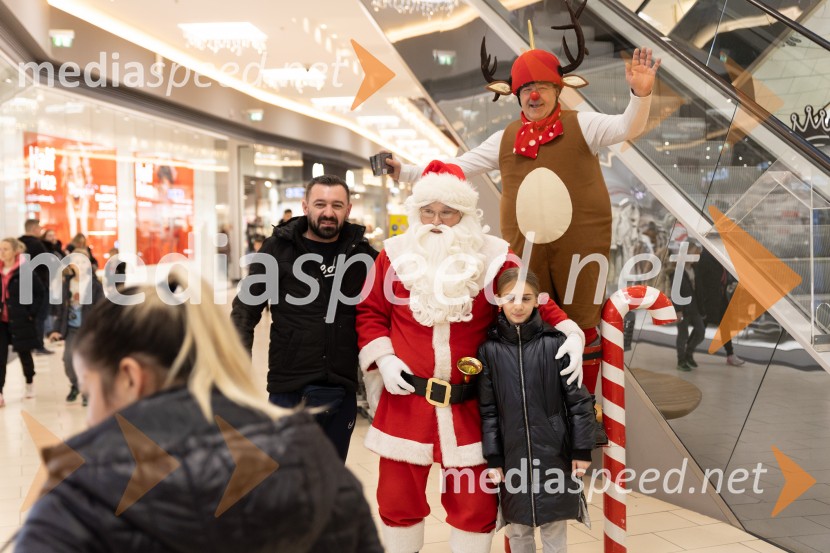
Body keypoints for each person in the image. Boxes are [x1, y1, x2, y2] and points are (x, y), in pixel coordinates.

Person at [383, 20, 661, 394]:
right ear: (515, 95)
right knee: (526, 323)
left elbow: (627, 126)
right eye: (526, 88)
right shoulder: (505, 138)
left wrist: (639, 95)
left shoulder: (585, 126)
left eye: (542, 86)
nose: (534, 95)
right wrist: (404, 172)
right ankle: (533, 405)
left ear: (558, 89)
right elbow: (455, 167)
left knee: (582, 323)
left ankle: (584, 408)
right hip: (525, 253)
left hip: (581, 250)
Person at [12, 273, 382, 552]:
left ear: (130, 377)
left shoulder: (79, 499)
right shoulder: (313, 459)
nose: (91, 415)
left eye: (91, 392)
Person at [356, 161, 584, 553]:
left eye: (448, 212)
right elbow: (371, 312)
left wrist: (569, 330)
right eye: (428, 211)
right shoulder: (393, 255)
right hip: (406, 402)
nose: (437, 221)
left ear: (465, 215)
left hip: (470, 409)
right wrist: (385, 358)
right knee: (397, 500)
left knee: (475, 504)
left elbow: (527, 298)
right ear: (417, 212)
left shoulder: (494, 258)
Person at [231, 175, 378, 461]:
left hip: (342, 384)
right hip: (290, 386)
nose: (328, 212)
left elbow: (388, 308)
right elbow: (245, 310)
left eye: (337, 205)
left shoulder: (363, 255)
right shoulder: (277, 249)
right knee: (288, 482)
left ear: (348, 210)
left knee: (332, 479)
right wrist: (235, 369)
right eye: (320, 203)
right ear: (305, 206)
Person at [478, 268, 595, 552]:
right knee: (518, 532)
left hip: (555, 453)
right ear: (499, 300)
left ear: (537, 301)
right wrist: (493, 457)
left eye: (526, 298)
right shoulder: (488, 351)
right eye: (510, 298)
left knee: (555, 531)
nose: (518, 305)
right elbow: (489, 409)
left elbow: (579, 402)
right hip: (511, 455)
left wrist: (582, 450)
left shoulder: (556, 343)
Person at [48, 257, 104, 406]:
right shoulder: (66, 284)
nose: (79, 265)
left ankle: (87, 392)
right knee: (68, 360)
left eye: (82, 262)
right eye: (76, 262)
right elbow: (60, 310)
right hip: (71, 329)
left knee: (87, 361)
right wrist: (55, 330)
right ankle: (76, 385)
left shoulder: (95, 285)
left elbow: (101, 308)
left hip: (88, 329)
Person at [0, 237, 45, 407]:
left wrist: (31, 313)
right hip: (1, 321)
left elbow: (40, 293)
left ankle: (29, 382)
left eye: (5, 249)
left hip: (20, 318)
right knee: (0, 357)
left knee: (24, 352)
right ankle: (0, 392)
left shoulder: (24, 270)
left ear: (14, 251)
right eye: (0, 249)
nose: (2, 253)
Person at [696, 247, 745, 366]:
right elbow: (699, 281)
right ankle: (686, 352)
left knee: (725, 326)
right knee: (701, 328)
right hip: (709, 300)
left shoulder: (721, 255)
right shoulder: (706, 257)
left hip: (721, 298)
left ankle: (730, 354)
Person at [17, 219, 52, 355]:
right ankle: (38, 345)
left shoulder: (18, 243)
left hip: (21, 284)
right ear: (34, 228)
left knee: (27, 316)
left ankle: (28, 345)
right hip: (39, 286)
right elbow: (49, 263)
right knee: (40, 316)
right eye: (39, 228)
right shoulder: (37, 244)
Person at [670, 244, 705, 371]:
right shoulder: (678, 272)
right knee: (683, 335)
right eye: (692, 253)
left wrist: (702, 308)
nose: (695, 256)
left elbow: (699, 291)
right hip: (683, 309)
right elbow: (675, 293)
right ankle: (681, 360)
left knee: (700, 332)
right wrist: (678, 310)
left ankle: (688, 354)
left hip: (694, 307)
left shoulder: (696, 270)